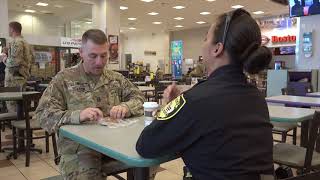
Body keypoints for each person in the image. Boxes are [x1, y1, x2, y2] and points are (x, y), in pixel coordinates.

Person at [136, 9, 274, 180]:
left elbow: (146, 145)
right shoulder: (257, 98)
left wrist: (170, 107)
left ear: (217, 49)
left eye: (205, 38)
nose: (203, 44)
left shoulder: (196, 100)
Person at [35, 29, 150, 179]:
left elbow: (139, 98)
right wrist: (78, 115)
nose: (99, 62)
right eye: (93, 56)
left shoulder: (115, 78)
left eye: (104, 56)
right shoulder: (64, 79)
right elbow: (42, 114)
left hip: (116, 141)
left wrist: (126, 107)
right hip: (79, 148)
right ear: (81, 52)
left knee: (149, 155)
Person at [1, 21, 32, 112]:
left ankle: (16, 124)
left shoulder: (17, 42)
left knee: (13, 104)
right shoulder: (25, 42)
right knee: (20, 103)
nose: (8, 31)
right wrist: (9, 52)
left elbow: (15, 61)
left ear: (12, 29)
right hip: (21, 76)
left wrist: (5, 59)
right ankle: (19, 122)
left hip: (14, 78)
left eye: (9, 29)